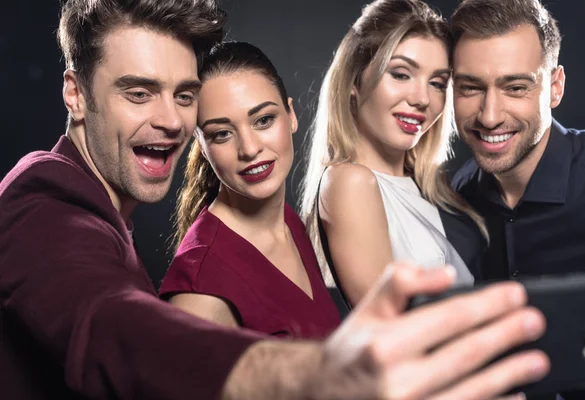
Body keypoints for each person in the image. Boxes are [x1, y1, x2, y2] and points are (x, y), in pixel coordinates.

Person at [0, 0, 550, 398]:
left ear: (290, 114)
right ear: (75, 91)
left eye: (183, 96)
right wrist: (315, 375)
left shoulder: (285, 216)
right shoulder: (43, 198)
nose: (169, 120)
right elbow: (110, 324)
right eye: (138, 92)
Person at [450, 0, 585, 397]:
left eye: (515, 87)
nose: (489, 115)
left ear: (555, 87)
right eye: (470, 87)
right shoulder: (455, 200)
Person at [300, 0, 487, 309]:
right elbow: (387, 325)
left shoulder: (429, 191)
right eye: (401, 74)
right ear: (354, 82)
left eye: (438, 83)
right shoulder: (350, 182)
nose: (422, 98)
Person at [159, 41, 341, 338]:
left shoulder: (287, 221)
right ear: (202, 147)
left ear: (291, 115)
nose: (250, 148)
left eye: (264, 120)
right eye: (222, 134)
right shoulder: (200, 292)